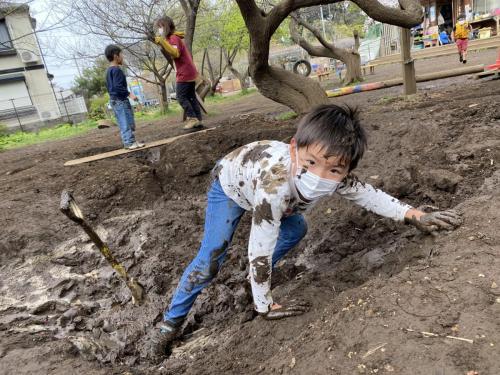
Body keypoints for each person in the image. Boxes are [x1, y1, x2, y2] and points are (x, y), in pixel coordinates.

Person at [149, 104, 462, 357]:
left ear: (347, 170)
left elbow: (368, 194)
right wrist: (264, 306)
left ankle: (254, 282)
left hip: (275, 196)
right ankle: (169, 325)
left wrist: (414, 214)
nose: (320, 176)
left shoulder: (336, 176)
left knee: (296, 228)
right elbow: (259, 244)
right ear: (295, 148)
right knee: (211, 258)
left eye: (335, 170)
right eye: (311, 163)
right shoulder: (274, 186)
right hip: (233, 185)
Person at [154, 16, 203, 131]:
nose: (159, 30)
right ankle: (198, 120)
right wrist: (163, 42)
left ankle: (192, 118)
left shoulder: (173, 38)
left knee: (180, 97)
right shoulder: (173, 38)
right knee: (191, 97)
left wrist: (162, 41)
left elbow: (175, 53)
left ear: (165, 26)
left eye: (160, 27)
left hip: (185, 72)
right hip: (189, 71)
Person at [104, 45, 144, 150]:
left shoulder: (108, 71)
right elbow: (117, 87)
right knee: (125, 122)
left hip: (116, 100)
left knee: (128, 121)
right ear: (115, 56)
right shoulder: (117, 70)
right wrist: (130, 94)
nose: (123, 57)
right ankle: (129, 142)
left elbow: (110, 87)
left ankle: (131, 141)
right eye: (121, 55)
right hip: (120, 100)